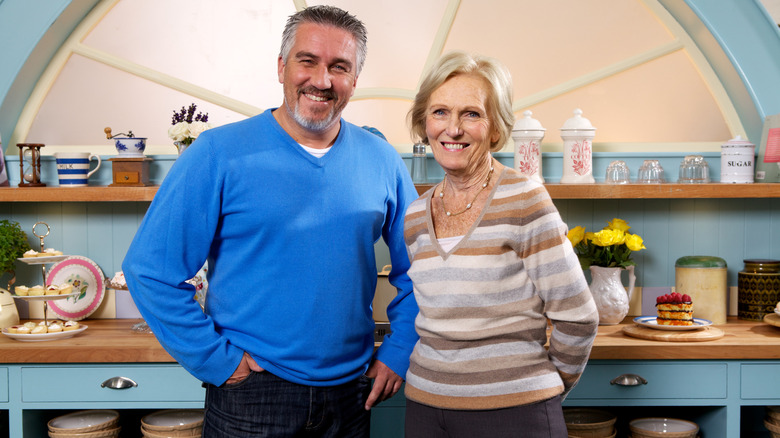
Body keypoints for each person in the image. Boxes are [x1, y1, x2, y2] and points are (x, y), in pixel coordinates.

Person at [122, 5, 419, 437]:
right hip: (251, 394)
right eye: (307, 61)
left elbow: (423, 268)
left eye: (339, 67)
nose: (322, 80)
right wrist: (218, 362)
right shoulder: (217, 153)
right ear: (281, 67)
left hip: (353, 393)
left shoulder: (382, 160)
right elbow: (150, 270)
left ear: (354, 80)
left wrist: (400, 348)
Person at [402, 51, 599, 438]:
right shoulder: (414, 216)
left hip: (514, 413)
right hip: (426, 409)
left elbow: (578, 316)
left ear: (495, 129)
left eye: (471, 114)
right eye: (440, 112)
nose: (453, 129)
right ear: (424, 123)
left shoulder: (525, 198)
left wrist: (535, 387)